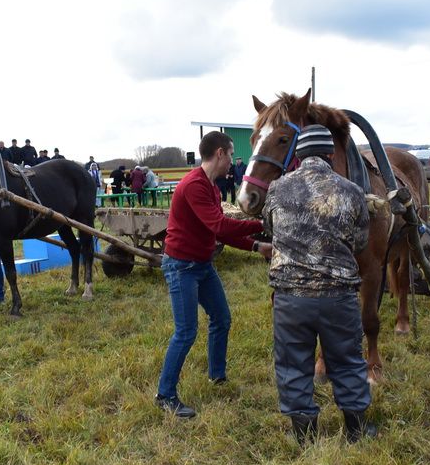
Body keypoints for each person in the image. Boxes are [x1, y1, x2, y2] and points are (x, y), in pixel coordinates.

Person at [262, 124, 376, 445]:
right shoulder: (351, 191)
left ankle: (305, 436)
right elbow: (361, 240)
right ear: (329, 153)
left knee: (292, 363)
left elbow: (270, 228)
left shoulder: (277, 189)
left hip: (290, 299)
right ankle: (355, 431)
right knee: (347, 360)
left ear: (297, 155)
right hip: (338, 297)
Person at [155, 131, 272, 418]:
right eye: (231, 154)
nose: (232, 162)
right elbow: (221, 226)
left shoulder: (212, 188)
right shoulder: (194, 185)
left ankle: (217, 376)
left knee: (221, 318)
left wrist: (257, 245)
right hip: (181, 266)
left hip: (202, 265)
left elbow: (216, 232)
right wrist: (260, 222)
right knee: (185, 332)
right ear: (220, 153)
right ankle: (165, 395)